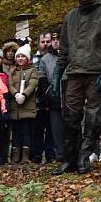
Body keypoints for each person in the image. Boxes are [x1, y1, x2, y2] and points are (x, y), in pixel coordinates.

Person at [51, 0, 101, 175]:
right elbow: (64, 49)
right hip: (73, 73)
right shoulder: (71, 16)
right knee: (71, 117)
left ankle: (84, 157)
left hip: (95, 72)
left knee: (94, 117)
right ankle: (70, 159)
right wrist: (57, 73)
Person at [8, 44, 38, 165]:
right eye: (18, 56)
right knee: (15, 133)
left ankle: (25, 156)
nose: (20, 58)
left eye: (23, 56)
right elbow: (10, 84)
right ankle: (15, 155)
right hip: (15, 108)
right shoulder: (13, 71)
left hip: (27, 107)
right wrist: (15, 94)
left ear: (27, 58)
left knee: (26, 132)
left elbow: (33, 84)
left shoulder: (32, 70)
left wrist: (24, 95)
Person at [38, 33, 65, 163]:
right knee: (56, 128)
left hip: (69, 96)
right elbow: (42, 79)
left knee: (72, 125)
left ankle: (73, 152)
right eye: (53, 40)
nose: (55, 42)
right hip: (54, 97)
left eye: (57, 40)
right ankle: (59, 155)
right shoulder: (45, 59)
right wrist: (48, 93)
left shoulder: (70, 56)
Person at [31, 31, 55, 163]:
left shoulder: (55, 57)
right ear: (39, 43)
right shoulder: (33, 59)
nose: (45, 44)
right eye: (43, 42)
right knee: (38, 129)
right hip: (36, 100)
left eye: (48, 41)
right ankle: (37, 154)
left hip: (52, 99)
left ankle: (51, 154)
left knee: (51, 128)